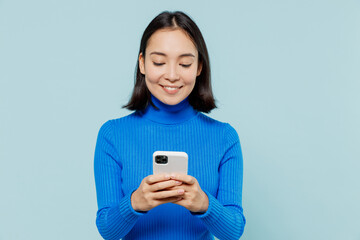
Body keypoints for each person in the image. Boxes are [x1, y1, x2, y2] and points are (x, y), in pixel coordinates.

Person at [94, 10, 246, 240]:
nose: (172, 75)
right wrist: (136, 202)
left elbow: (234, 231)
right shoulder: (113, 135)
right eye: (159, 62)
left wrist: (203, 204)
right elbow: (107, 230)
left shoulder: (224, 137)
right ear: (143, 64)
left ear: (199, 67)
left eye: (185, 64)